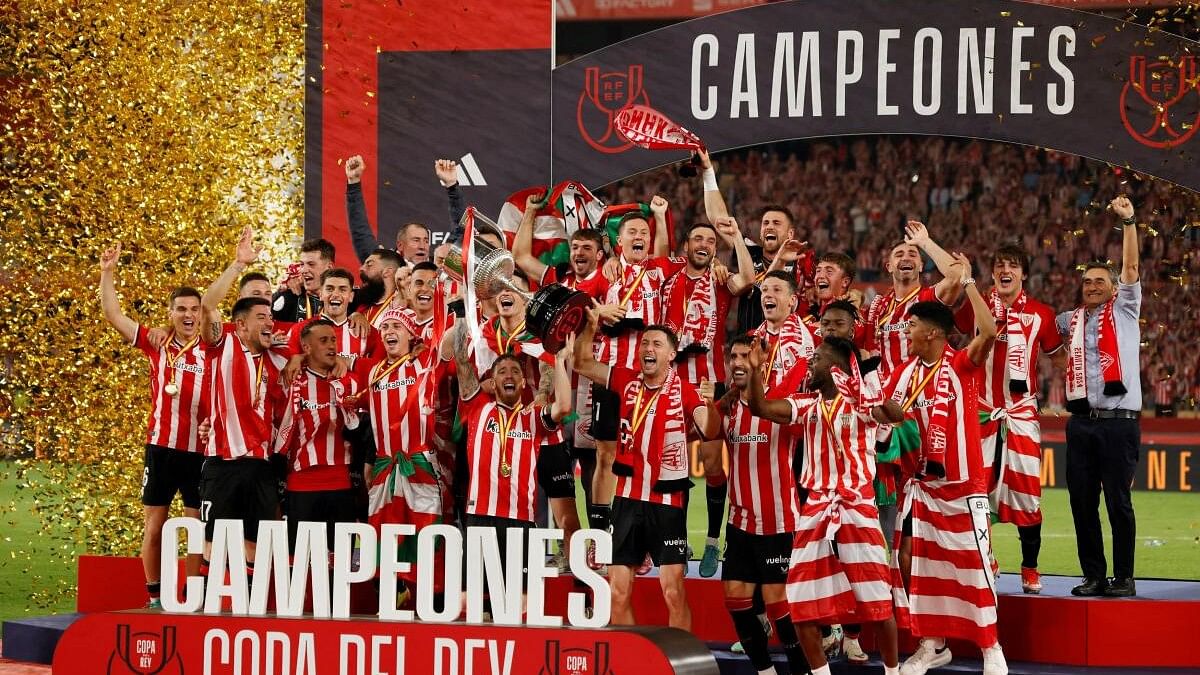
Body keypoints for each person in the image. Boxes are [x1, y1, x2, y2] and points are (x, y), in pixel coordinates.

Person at [881, 254, 1008, 675]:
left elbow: (988, 330)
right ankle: (931, 644)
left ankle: (991, 647)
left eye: (913, 326)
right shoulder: (903, 373)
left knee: (974, 567)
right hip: (921, 489)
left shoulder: (960, 364)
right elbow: (887, 411)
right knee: (918, 566)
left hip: (963, 485)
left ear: (933, 331)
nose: (908, 331)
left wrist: (969, 282)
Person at [747, 337, 903, 675]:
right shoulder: (807, 405)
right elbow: (761, 408)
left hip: (858, 506)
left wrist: (870, 384)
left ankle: (893, 672)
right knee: (801, 604)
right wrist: (758, 370)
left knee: (878, 604)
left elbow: (895, 413)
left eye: (815, 358)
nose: (809, 364)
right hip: (815, 510)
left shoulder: (860, 404)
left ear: (835, 367)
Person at [573, 310, 717, 629]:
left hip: (667, 505)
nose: (647, 349)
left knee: (673, 592)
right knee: (619, 592)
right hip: (625, 502)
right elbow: (581, 363)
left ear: (672, 354)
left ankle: (677, 662)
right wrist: (590, 328)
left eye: (656, 344)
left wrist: (712, 405)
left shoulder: (687, 392)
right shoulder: (624, 379)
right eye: (644, 343)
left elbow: (709, 430)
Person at [99, 244, 207, 609]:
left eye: (194, 309)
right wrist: (108, 272)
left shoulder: (212, 348)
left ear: (202, 314)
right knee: (155, 526)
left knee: (195, 528)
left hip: (199, 452)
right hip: (161, 448)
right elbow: (114, 314)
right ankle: (155, 596)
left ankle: (192, 596)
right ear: (170, 313)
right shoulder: (156, 343)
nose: (188, 314)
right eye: (181, 309)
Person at [955, 244, 1063, 594]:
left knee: (1027, 496)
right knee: (976, 492)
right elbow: (948, 322)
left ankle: (1030, 567)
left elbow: (1060, 359)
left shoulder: (1042, 315)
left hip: (1020, 417)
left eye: (1013, 266)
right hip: (981, 413)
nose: (1006, 270)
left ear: (1024, 274)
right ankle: (986, 558)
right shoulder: (977, 307)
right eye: (1000, 265)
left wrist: (1070, 396)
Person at [702, 336, 810, 675]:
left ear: (761, 361)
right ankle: (764, 671)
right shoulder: (728, 406)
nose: (737, 362)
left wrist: (756, 375)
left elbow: (764, 407)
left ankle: (803, 670)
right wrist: (710, 406)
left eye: (745, 356)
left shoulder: (780, 402)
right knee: (735, 600)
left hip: (778, 522)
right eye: (733, 356)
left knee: (779, 607)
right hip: (740, 522)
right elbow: (705, 445)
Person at [655, 217, 756, 578]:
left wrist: (736, 238)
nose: (704, 244)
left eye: (710, 241)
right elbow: (653, 257)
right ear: (686, 247)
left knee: (714, 466)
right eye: (697, 238)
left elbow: (748, 280)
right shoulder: (668, 276)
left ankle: (713, 540)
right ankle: (676, 542)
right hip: (668, 386)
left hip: (709, 386)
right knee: (673, 467)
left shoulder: (720, 280)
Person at [1055, 195, 1142, 598]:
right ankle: (1093, 575)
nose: (1091, 286)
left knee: (1118, 505)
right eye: (1087, 282)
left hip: (1118, 424)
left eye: (1099, 282)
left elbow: (1131, 268)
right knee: (1082, 505)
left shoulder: (1125, 310)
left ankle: (1123, 578)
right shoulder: (1068, 321)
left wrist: (1128, 223)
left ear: (1113, 289)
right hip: (1081, 423)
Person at [512, 198, 611, 538]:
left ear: (600, 255)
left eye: (587, 247)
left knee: (594, 471)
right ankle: (558, 548)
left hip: (593, 391)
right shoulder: (558, 282)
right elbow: (521, 257)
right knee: (554, 474)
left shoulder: (610, 282)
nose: (579, 252)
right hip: (558, 390)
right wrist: (529, 213)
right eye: (575, 246)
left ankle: (598, 544)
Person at [458, 348, 573, 617]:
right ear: (491, 382)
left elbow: (565, 407)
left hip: (521, 520)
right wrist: (459, 311)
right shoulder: (477, 408)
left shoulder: (532, 418)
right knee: (471, 599)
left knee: (521, 603)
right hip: (480, 518)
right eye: (502, 372)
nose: (509, 376)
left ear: (523, 382)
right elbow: (462, 363)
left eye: (515, 372)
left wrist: (558, 360)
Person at [586, 201, 670, 570]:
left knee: (645, 460)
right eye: (632, 232)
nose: (639, 236)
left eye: (644, 233)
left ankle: (642, 542)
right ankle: (600, 538)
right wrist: (601, 311)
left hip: (649, 381)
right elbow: (581, 302)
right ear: (617, 241)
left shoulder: (658, 271)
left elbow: (666, 249)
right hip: (611, 373)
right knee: (606, 456)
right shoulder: (606, 275)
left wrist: (661, 216)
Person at [197, 294, 288, 578]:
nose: (269, 322)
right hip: (223, 459)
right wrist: (237, 264)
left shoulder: (277, 357)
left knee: (254, 538)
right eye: (261, 317)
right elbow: (208, 305)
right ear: (240, 324)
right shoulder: (221, 344)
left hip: (261, 462)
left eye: (270, 317)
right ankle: (204, 598)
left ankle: (249, 600)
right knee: (213, 538)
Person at [359, 308, 443, 598]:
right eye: (385, 327)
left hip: (419, 463)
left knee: (425, 532)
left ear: (411, 333)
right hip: (385, 465)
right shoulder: (372, 370)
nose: (389, 331)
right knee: (384, 535)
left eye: (397, 326)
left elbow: (445, 337)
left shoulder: (425, 360)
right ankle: (390, 597)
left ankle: (427, 599)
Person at [274, 319, 370, 551]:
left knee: (339, 561)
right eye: (323, 340)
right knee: (302, 561)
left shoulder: (349, 382)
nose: (331, 346)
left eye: (334, 340)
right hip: (301, 483)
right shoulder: (291, 379)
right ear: (306, 348)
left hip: (341, 483)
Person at [866, 222, 963, 377]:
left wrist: (925, 242)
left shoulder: (928, 299)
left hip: (923, 392)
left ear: (921, 266)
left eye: (912, 254)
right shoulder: (878, 307)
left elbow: (957, 277)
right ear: (889, 267)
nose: (906, 258)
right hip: (887, 394)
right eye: (899, 255)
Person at [345, 154, 432, 265]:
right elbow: (361, 233)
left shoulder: (439, 271)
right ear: (400, 246)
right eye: (416, 240)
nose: (422, 246)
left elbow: (460, 238)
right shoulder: (386, 267)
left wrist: (452, 186)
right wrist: (354, 183)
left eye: (426, 241)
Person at [286, 268, 382, 362]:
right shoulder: (299, 330)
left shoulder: (367, 332)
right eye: (329, 289)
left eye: (342, 289)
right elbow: (287, 368)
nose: (335, 294)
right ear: (321, 294)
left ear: (351, 296)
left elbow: (376, 370)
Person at [273, 238, 335, 323]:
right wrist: (280, 292)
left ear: (329, 267)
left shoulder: (346, 298)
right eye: (302, 264)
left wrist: (357, 315)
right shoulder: (291, 296)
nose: (303, 270)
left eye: (311, 264)